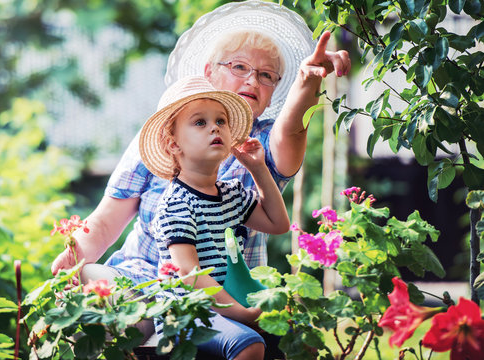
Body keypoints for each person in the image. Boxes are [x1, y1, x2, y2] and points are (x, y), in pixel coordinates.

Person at [51, 0, 350, 343]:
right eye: (239, 66)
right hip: (144, 278)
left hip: (224, 295)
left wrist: (304, 86)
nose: (252, 79)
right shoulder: (162, 133)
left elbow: (292, 129)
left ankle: (156, 328)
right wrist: (67, 263)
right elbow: (105, 222)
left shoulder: (262, 143)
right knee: (92, 287)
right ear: (209, 72)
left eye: (266, 75)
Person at [140, 75, 290, 359]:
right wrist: (243, 314)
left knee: (288, 329)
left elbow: (278, 224)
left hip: (225, 303)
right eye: (200, 122)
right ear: (173, 145)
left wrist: (258, 170)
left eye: (221, 121)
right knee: (248, 344)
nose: (215, 128)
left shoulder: (230, 194)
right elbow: (190, 275)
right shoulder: (176, 203)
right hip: (187, 313)